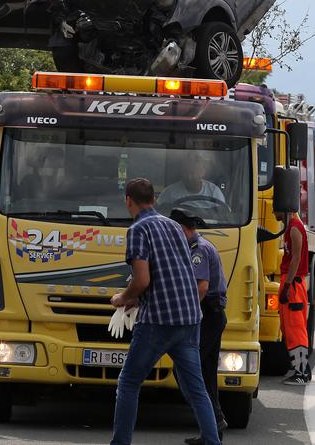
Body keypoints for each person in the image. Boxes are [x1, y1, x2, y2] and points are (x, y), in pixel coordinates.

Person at [109, 179, 220, 445]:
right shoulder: (173, 227)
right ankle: (212, 440)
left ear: (128, 201)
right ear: (154, 199)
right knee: (196, 386)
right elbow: (177, 272)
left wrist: (123, 298)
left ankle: (120, 442)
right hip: (190, 316)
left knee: (129, 382)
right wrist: (138, 298)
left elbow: (142, 279)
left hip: (159, 319)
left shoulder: (137, 230)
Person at [172, 208, 228, 445]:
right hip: (209, 315)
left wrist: (187, 314)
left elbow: (201, 288)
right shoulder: (195, 246)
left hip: (207, 315)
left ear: (182, 229)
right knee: (204, 373)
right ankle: (211, 430)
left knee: (185, 369)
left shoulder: (199, 250)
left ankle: (213, 422)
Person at [277, 202, 311, 385]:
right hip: (291, 282)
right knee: (289, 329)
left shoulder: (295, 228)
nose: (273, 212)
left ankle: (301, 373)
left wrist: (288, 285)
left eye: (276, 208)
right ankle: (302, 369)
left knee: (295, 329)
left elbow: (296, 258)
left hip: (294, 284)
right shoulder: (290, 227)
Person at [159, 157, 225, 207]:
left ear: (202, 173)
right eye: (185, 173)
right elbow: (159, 212)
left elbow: (222, 213)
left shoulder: (213, 191)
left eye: (192, 173)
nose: (189, 177)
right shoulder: (169, 192)